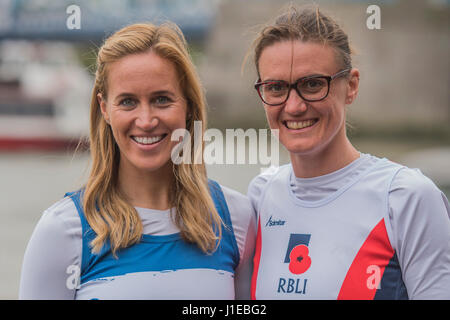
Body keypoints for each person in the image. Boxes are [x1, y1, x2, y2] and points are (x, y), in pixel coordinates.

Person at [19, 22, 255, 299]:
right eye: (128, 102)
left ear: (189, 106)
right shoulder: (61, 230)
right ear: (105, 108)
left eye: (162, 100)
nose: (146, 121)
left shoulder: (235, 217)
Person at [246, 5, 450, 300]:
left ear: (351, 86)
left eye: (313, 84)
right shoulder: (260, 195)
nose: (293, 106)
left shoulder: (407, 198)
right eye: (276, 88)